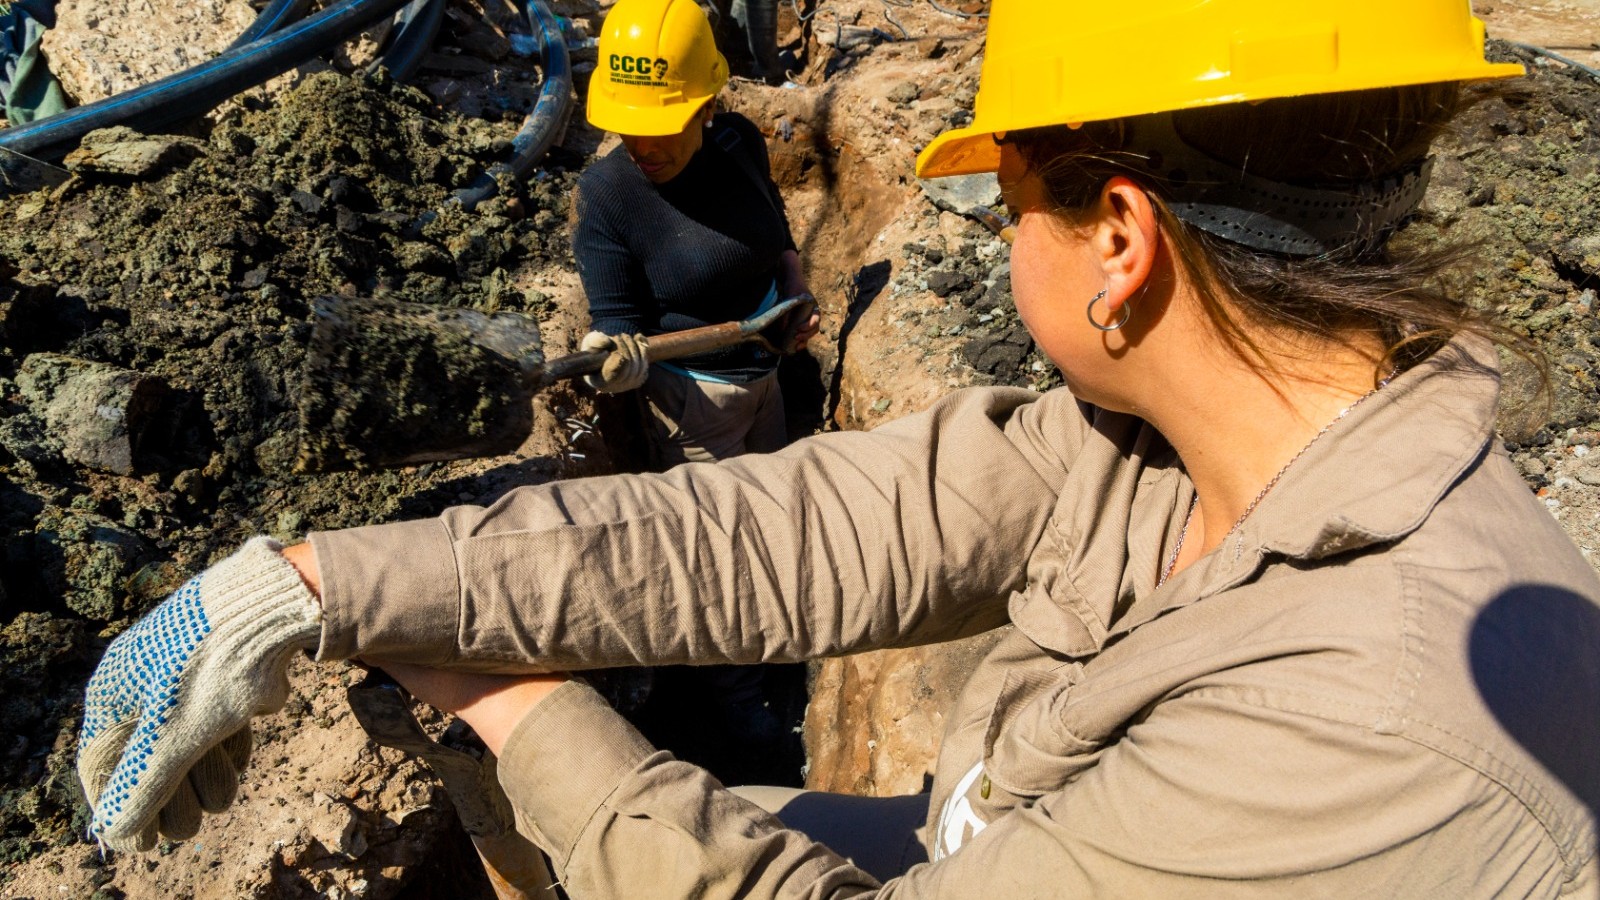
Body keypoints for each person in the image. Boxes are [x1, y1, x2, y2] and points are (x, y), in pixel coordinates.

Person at [75, 0, 1600, 896]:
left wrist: (521, 710)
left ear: (1117, 245)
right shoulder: (1180, 440)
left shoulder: (1372, 743)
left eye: (1008, 211)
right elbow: (790, 531)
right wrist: (315, 580)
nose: (1004, 246)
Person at [571, 0, 819, 765]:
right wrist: (620, 358)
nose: (642, 144)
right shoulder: (609, 196)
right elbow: (615, 323)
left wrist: (793, 284)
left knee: (780, 520)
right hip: (690, 408)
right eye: (628, 125)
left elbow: (774, 232)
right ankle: (745, 714)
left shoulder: (740, 143)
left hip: (767, 373)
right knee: (714, 565)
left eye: (663, 122)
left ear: (708, 105)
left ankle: (795, 655)